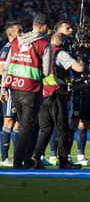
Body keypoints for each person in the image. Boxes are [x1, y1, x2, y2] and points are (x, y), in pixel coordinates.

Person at [0, 14, 50, 169]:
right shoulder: (43, 43)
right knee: (28, 126)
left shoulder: (16, 41)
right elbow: (47, 71)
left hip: (15, 88)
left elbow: (8, 65)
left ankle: (26, 159)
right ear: (43, 27)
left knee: (24, 124)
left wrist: (3, 87)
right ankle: (19, 160)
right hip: (31, 88)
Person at [32, 30, 85, 169]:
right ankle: (63, 160)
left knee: (45, 130)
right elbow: (79, 68)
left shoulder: (42, 51)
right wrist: (79, 58)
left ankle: (35, 157)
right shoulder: (60, 53)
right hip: (56, 94)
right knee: (62, 129)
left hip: (42, 94)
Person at [69, 33, 90, 166]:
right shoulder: (76, 52)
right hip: (79, 88)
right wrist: (75, 51)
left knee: (84, 123)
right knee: (73, 122)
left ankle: (81, 154)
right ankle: (66, 154)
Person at [0, 21, 22, 166]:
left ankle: (18, 156)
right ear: (11, 35)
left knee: (19, 123)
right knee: (9, 120)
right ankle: (4, 158)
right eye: (19, 31)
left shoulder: (21, 47)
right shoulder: (7, 49)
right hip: (10, 88)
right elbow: (2, 70)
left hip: (21, 88)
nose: (22, 33)